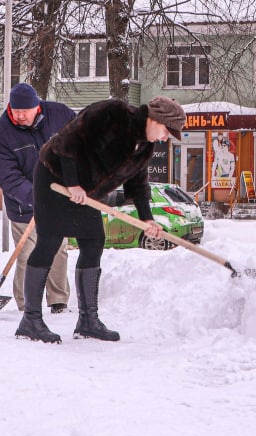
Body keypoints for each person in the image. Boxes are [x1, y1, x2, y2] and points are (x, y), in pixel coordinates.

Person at [15, 96, 187, 344]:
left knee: (94, 240)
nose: (164, 138)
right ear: (154, 119)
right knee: (49, 242)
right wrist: (72, 183)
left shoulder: (145, 147)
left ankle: (88, 321)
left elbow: (138, 184)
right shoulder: (113, 113)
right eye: (166, 131)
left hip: (86, 193)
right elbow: (68, 141)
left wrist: (147, 219)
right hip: (54, 178)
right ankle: (30, 320)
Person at [0, 82, 77, 313]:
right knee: (27, 253)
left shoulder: (59, 114)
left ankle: (58, 299)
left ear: (37, 107)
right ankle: (27, 303)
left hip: (58, 199)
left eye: (24, 112)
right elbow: (7, 177)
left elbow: (79, 142)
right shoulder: (1, 133)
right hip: (23, 206)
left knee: (58, 249)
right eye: (15, 111)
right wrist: (37, 197)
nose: (19, 116)